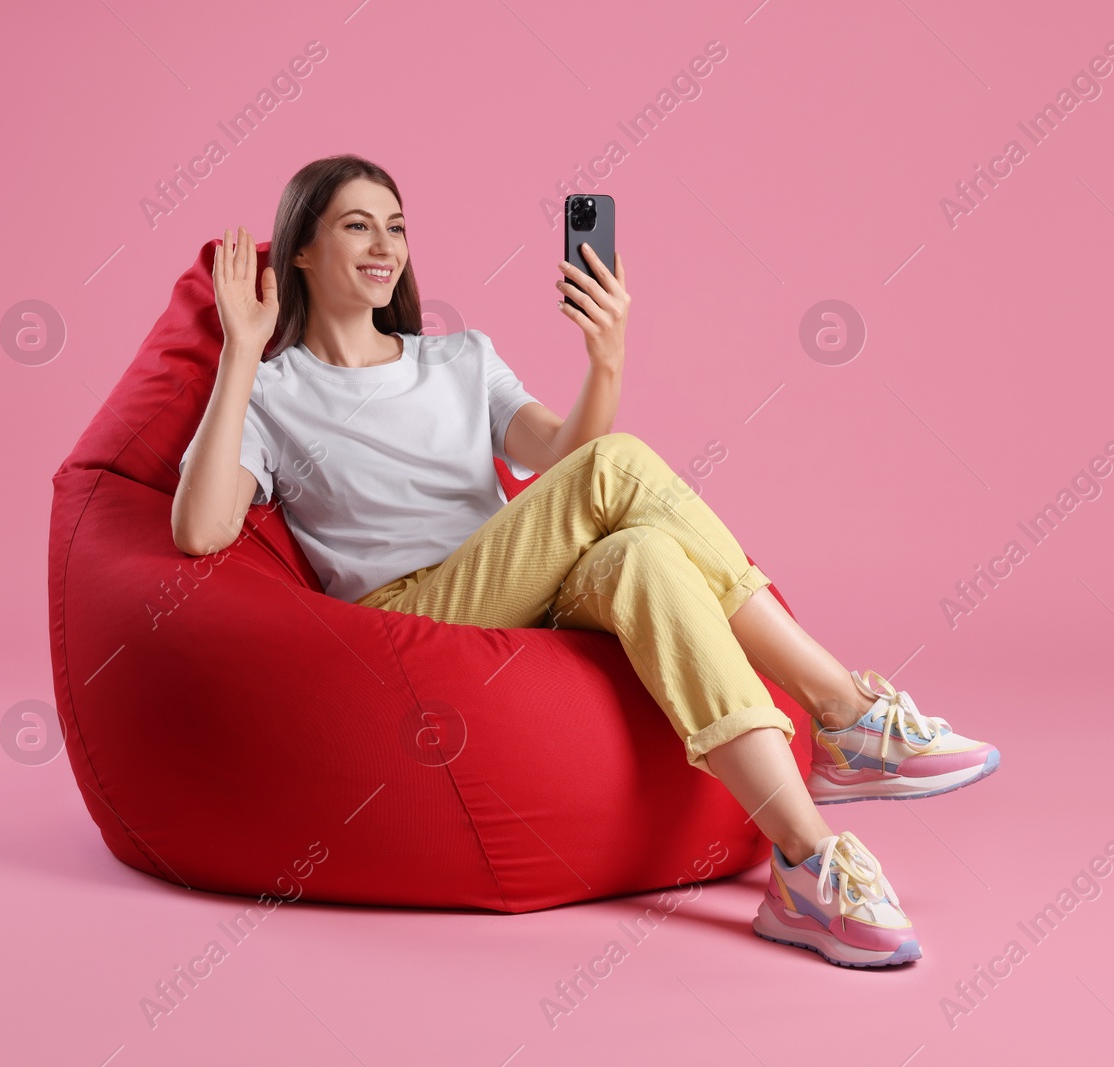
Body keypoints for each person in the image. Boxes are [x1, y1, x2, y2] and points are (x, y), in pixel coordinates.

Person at [172, 155, 1000, 968]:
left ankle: (806, 864)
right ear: (303, 250)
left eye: (396, 227)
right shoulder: (272, 391)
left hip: (514, 584)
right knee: (620, 466)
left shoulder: (459, 358)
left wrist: (605, 359)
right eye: (358, 226)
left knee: (646, 554)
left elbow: (560, 455)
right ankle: (845, 712)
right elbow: (201, 530)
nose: (386, 245)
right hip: (411, 616)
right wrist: (242, 350)